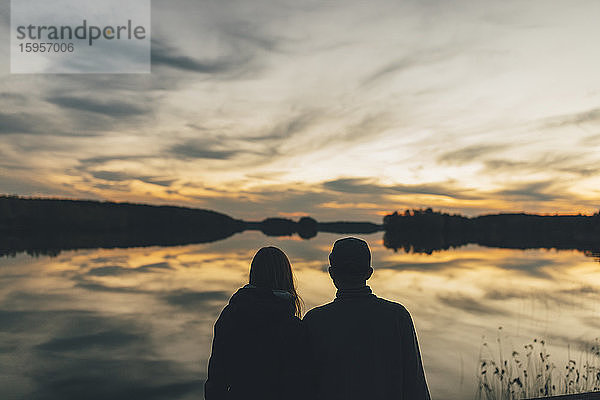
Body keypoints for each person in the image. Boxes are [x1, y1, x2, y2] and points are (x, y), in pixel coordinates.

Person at [303, 237, 431, 400]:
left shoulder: (314, 321)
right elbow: (415, 386)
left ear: (332, 273)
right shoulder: (397, 317)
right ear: (369, 273)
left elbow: (303, 385)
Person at [204, 246, 307, 400]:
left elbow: (216, 377)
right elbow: (298, 384)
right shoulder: (292, 326)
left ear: (254, 274)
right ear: (286, 276)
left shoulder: (230, 315)